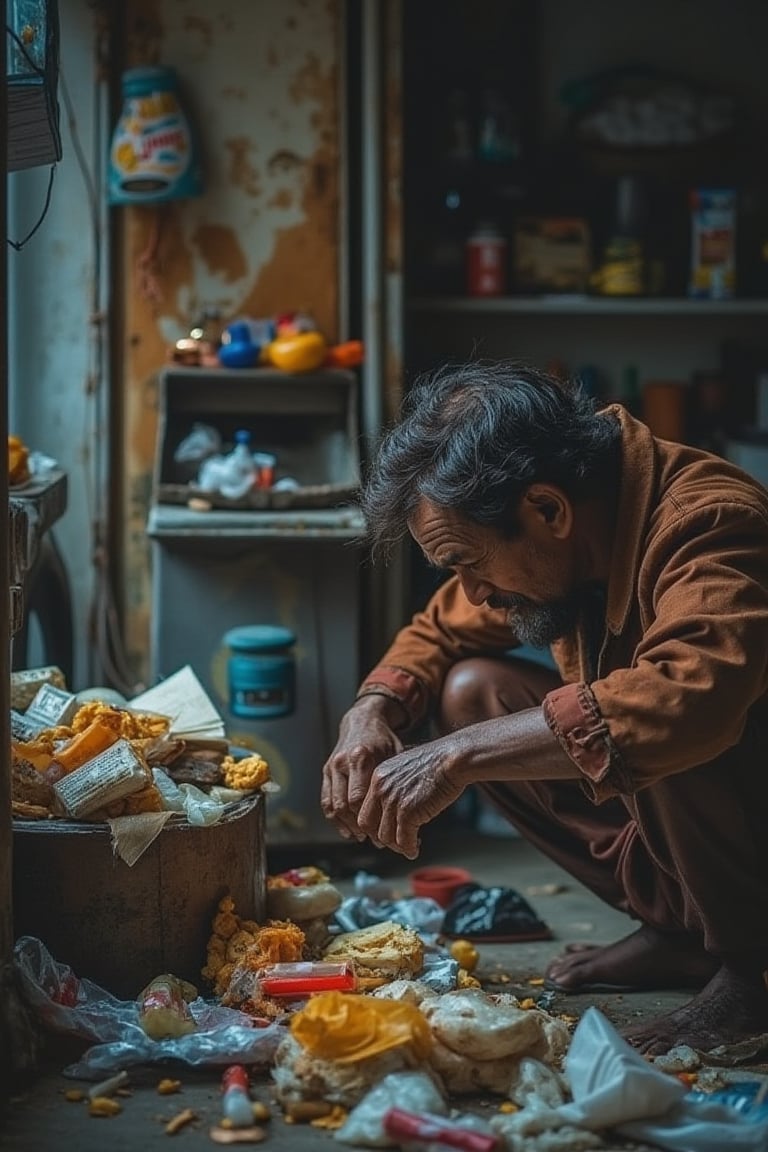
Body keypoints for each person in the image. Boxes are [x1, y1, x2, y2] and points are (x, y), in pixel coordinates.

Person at [320, 359, 768, 1056]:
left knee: (657, 708)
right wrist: (371, 710)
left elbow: (690, 699)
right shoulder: (571, 532)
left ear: (548, 510)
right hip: (706, 822)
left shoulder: (707, 520)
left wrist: (457, 756)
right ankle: (682, 935)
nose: (471, 592)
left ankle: (751, 969)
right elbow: (437, 630)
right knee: (473, 692)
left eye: (470, 562)